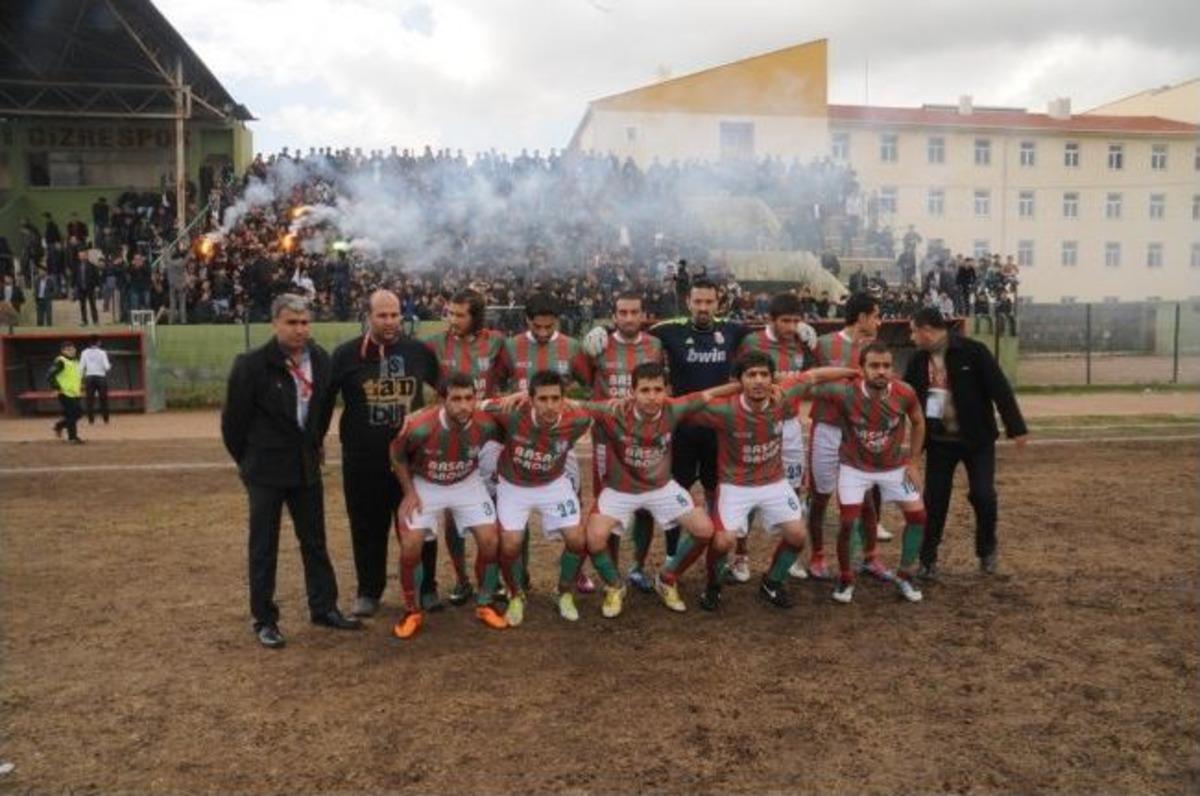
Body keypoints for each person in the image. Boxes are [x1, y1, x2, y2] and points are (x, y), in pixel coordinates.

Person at [220, 293, 361, 649]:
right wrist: (248, 462)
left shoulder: (321, 359)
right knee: (263, 546)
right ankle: (264, 619)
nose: (300, 330)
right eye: (291, 323)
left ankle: (324, 607)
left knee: (315, 541)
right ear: (275, 324)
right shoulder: (251, 365)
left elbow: (323, 410)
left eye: (304, 323)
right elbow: (233, 423)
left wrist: (314, 443)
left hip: (304, 467)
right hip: (265, 471)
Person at [679, 352, 855, 611]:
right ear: (739, 380)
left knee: (797, 535)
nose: (759, 380)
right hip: (735, 485)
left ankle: (771, 582)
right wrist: (724, 390)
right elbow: (680, 408)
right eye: (751, 375)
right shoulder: (724, 409)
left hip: (773, 482)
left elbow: (814, 375)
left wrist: (855, 373)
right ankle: (713, 585)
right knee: (723, 541)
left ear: (773, 379)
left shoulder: (784, 395)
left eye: (764, 375)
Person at [572, 362, 738, 617]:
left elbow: (710, 393)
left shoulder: (674, 407)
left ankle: (667, 578)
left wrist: (749, 385)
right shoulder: (613, 410)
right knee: (593, 538)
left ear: (666, 390)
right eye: (645, 390)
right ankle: (615, 586)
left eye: (658, 390)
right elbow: (573, 404)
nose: (652, 397)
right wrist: (519, 397)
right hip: (620, 489)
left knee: (704, 530)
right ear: (632, 392)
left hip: (661, 487)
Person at [323, 289, 440, 618]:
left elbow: (445, 391)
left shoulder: (418, 352)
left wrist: (437, 429)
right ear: (368, 317)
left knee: (420, 526)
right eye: (382, 315)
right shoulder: (346, 355)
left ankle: (426, 587)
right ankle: (368, 591)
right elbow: (325, 401)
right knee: (366, 527)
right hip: (363, 460)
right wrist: (316, 440)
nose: (390, 322)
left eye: (394, 315)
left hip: (413, 460)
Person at [904, 307, 1028, 577]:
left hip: (977, 441)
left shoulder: (974, 352)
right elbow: (903, 397)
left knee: (983, 495)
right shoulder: (917, 361)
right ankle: (927, 560)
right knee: (934, 501)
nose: (911, 337)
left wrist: (1016, 427)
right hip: (938, 443)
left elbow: (999, 388)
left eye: (913, 331)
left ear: (926, 330)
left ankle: (987, 551)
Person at [388, 374, 510, 639]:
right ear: (442, 400)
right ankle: (411, 611)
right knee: (410, 544)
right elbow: (397, 455)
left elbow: (515, 418)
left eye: (469, 398)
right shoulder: (420, 426)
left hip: (467, 482)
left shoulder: (486, 423)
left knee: (490, 540)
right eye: (456, 399)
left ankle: (485, 603)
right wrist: (409, 492)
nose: (463, 406)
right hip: (426, 483)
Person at [814, 342, 927, 604]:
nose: (881, 371)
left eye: (886, 366)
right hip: (854, 467)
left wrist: (913, 462)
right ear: (861, 369)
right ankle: (846, 578)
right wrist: (846, 372)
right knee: (847, 522)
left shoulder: (904, 392)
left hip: (894, 467)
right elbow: (811, 380)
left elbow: (918, 421)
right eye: (874, 366)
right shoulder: (845, 392)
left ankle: (905, 576)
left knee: (918, 516)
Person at [499, 292, 595, 594]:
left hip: (558, 440)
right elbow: (496, 387)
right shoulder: (511, 347)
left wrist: (568, 409)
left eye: (549, 326)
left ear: (557, 322)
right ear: (527, 320)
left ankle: (576, 573)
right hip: (520, 441)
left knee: (573, 508)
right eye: (537, 326)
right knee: (517, 517)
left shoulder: (572, 347)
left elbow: (591, 385)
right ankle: (521, 575)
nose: (542, 332)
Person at [481, 371, 593, 626]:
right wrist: (513, 396)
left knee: (577, 539)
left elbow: (591, 414)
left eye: (555, 398)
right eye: (543, 399)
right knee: (510, 543)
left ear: (564, 400)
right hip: (513, 485)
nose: (550, 405)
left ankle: (564, 593)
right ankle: (516, 595)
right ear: (531, 399)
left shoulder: (579, 420)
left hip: (553, 484)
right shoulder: (511, 412)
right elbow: (475, 406)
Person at [419, 288, 508, 605]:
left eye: (459, 315)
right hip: (451, 438)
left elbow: (519, 370)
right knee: (453, 515)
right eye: (450, 313)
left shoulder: (496, 342)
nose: (452, 320)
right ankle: (461, 579)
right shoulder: (433, 344)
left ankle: (491, 579)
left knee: (492, 511)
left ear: (476, 317)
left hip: (488, 438)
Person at [732, 291, 815, 582]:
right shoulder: (752, 342)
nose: (791, 327)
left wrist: (812, 344)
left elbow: (810, 377)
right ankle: (740, 556)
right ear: (771, 319)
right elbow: (738, 379)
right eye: (785, 321)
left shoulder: (802, 340)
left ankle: (788, 556)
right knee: (748, 487)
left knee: (794, 488)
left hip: (790, 425)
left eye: (796, 321)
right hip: (755, 424)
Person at [806, 292, 889, 582]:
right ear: (862, 317)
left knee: (866, 497)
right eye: (876, 315)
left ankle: (871, 557)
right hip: (827, 430)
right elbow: (808, 382)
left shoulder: (875, 349)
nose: (879, 321)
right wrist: (839, 392)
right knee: (820, 497)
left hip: (858, 433)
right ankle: (817, 556)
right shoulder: (825, 343)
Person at [584, 291, 663, 593]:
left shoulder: (655, 345)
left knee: (645, 506)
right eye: (623, 313)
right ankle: (613, 573)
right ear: (614, 316)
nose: (629, 318)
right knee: (609, 507)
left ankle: (638, 568)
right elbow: (582, 380)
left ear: (643, 315)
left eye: (634, 312)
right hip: (607, 441)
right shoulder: (599, 344)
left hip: (646, 439)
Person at [47, 340, 84, 444]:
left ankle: (59, 426)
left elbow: (74, 376)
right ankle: (72, 437)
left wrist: (80, 385)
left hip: (74, 393)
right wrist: (56, 388)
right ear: (63, 351)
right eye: (68, 349)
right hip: (64, 393)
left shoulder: (75, 361)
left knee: (79, 413)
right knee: (71, 414)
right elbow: (50, 376)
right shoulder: (61, 361)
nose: (72, 351)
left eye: (73, 349)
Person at [80, 335, 112, 425]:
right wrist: (110, 365)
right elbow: (107, 367)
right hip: (101, 377)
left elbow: (81, 367)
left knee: (89, 400)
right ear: (98, 342)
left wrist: (80, 379)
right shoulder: (102, 352)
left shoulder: (84, 352)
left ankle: (91, 420)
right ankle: (106, 419)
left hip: (89, 377)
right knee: (103, 399)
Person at [74, 250, 100, 326]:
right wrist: (74, 286)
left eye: (82, 255)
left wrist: (97, 286)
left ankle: (95, 320)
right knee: (82, 305)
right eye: (79, 256)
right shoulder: (77, 266)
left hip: (90, 288)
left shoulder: (92, 266)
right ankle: (84, 320)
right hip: (81, 288)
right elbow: (75, 277)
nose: (81, 257)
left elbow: (96, 277)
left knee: (92, 304)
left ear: (86, 256)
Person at [165, 242, 189, 324]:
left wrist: (167, 249)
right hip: (181, 285)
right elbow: (187, 258)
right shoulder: (182, 262)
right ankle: (183, 321)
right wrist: (189, 253)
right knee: (182, 304)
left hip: (172, 284)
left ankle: (171, 321)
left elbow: (167, 256)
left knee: (172, 304)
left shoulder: (169, 262)